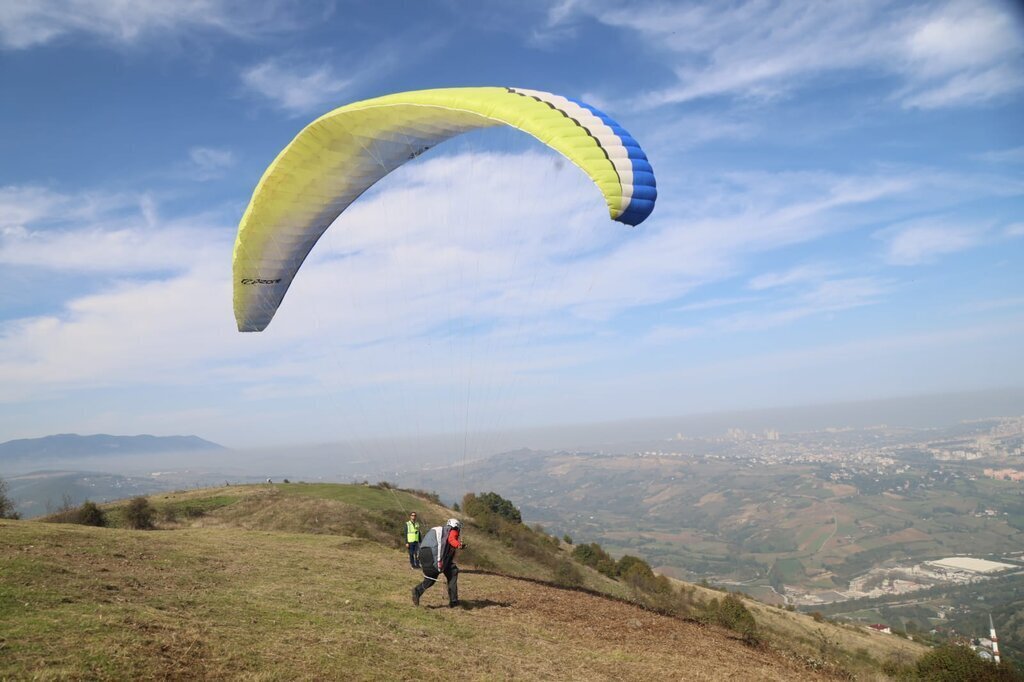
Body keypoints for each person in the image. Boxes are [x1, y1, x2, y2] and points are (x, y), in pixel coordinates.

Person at [412, 518, 466, 608]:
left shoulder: (442, 532)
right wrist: (459, 545)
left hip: (428, 556)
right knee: (453, 572)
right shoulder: (453, 531)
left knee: (431, 579)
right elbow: (451, 539)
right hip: (439, 559)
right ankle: (454, 602)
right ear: (455, 526)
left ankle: (417, 591)